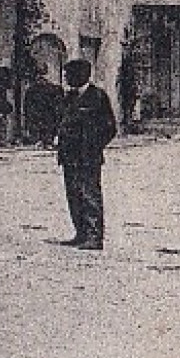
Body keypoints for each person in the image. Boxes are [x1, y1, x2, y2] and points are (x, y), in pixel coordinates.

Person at [52, 58, 117, 252]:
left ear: (82, 75)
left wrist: (93, 146)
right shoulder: (69, 97)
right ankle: (80, 233)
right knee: (73, 194)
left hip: (88, 157)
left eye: (69, 75)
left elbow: (110, 128)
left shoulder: (97, 97)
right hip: (69, 156)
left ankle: (94, 236)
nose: (66, 78)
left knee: (90, 194)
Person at [24, 68, 66, 149]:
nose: (41, 78)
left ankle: (46, 141)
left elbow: (59, 105)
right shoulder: (31, 90)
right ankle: (43, 141)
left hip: (47, 114)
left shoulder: (55, 89)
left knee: (47, 125)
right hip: (40, 114)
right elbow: (28, 105)